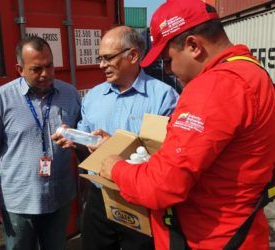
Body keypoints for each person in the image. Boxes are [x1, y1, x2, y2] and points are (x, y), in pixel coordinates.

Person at [100, 1, 275, 249]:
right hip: (242, 231)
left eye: (167, 59)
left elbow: (160, 186)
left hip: (206, 238)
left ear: (194, 46)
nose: (168, 70)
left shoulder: (212, 87)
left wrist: (116, 167)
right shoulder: (252, 72)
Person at [53, 26, 179, 250]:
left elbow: (170, 155)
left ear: (133, 55)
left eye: (108, 58)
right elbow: (87, 144)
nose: (102, 65)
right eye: (100, 58)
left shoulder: (164, 96)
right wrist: (76, 141)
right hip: (98, 198)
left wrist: (119, 148)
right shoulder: (93, 96)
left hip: (140, 201)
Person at [0, 36, 81, 250]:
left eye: (49, 66)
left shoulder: (69, 94)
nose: (45, 74)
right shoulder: (1, 99)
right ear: (20, 69)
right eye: (36, 69)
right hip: (19, 202)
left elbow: (82, 141)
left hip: (59, 198)